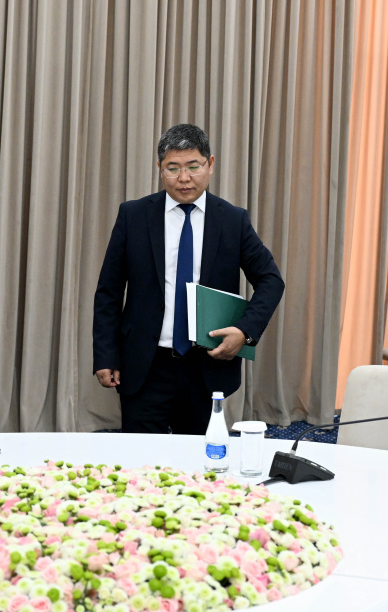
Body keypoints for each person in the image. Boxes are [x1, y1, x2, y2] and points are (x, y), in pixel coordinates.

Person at [93, 124, 285, 434]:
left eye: (193, 167)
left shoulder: (232, 220)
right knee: (141, 459)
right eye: (173, 168)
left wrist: (244, 331)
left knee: (199, 459)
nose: (184, 178)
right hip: (145, 365)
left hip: (205, 365)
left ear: (210, 164)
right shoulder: (134, 216)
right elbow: (109, 292)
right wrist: (105, 355)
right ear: (160, 168)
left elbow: (271, 280)